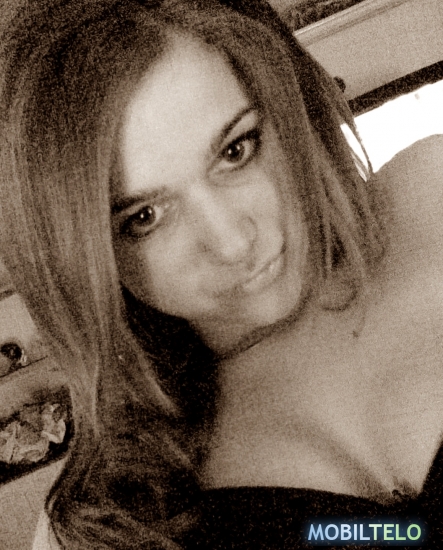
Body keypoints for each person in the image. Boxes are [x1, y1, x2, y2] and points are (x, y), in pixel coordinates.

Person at [0, 0, 442, 548]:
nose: (232, 243)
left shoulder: (433, 198)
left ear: (291, 103)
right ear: (84, 259)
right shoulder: (105, 522)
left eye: (237, 150)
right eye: (144, 217)